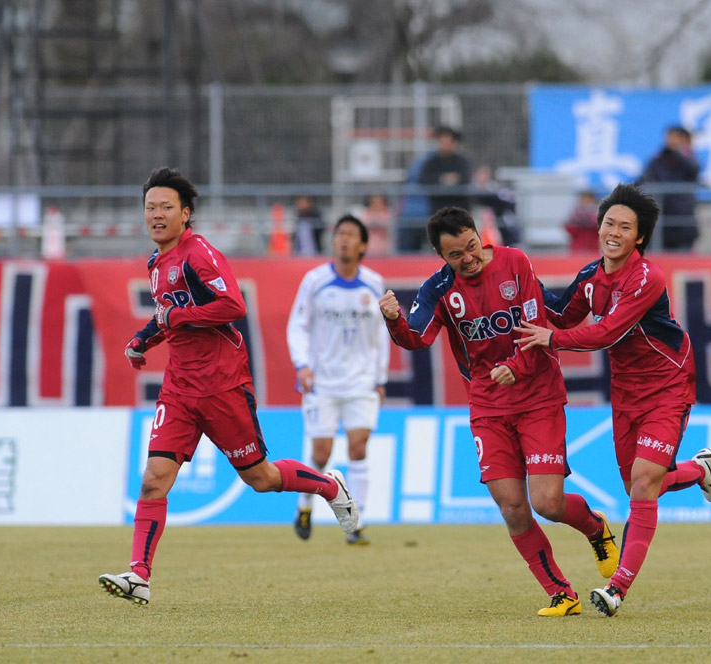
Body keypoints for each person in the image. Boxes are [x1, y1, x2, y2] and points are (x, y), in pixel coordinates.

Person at [99, 167, 359, 605]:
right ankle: (139, 576)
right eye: (150, 208)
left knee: (261, 478)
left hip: (222, 385)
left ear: (186, 214)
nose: (156, 215)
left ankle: (329, 486)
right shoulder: (156, 264)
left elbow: (231, 305)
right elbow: (171, 314)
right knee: (153, 481)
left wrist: (172, 319)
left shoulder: (199, 253)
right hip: (179, 389)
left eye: (166, 207)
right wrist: (144, 339)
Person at [378, 207, 620, 617]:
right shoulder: (439, 289)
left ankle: (596, 528)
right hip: (488, 406)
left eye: (471, 246)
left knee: (547, 503)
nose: (468, 259)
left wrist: (515, 366)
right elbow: (417, 339)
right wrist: (394, 320)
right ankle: (561, 592)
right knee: (511, 507)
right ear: (441, 255)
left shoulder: (515, 262)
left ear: (479, 235)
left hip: (538, 394)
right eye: (456, 255)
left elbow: (533, 324)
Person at [513, 183, 711, 617]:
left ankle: (618, 588)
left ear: (639, 237)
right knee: (638, 486)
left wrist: (552, 338)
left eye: (626, 227)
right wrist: (516, 283)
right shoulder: (591, 276)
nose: (615, 232)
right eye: (609, 223)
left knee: (644, 482)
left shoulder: (647, 277)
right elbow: (562, 312)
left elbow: (606, 332)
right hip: (625, 392)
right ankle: (698, 471)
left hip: (667, 385)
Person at [287, 214, 389, 545]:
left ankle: (355, 522)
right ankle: (304, 504)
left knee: (359, 447)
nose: (343, 239)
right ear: (333, 241)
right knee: (321, 453)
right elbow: (297, 325)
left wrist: (380, 378)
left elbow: (382, 334)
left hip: (361, 382)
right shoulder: (314, 281)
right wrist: (302, 365)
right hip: (323, 382)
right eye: (339, 234)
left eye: (350, 235)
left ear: (362, 245)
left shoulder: (374, 283)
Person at [638, 126, 700, 251]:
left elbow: (693, 170)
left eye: (675, 137)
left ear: (684, 140)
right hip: (661, 216)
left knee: (682, 257)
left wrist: (678, 152)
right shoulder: (659, 159)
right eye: (669, 137)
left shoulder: (689, 159)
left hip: (683, 218)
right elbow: (645, 177)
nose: (670, 140)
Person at [418, 125, 472, 213]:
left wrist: (455, 180)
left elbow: (466, 179)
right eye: (443, 141)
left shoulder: (462, 161)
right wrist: (441, 179)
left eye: (448, 141)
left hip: (459, 207)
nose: (445, 144)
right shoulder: (431, 162)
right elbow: (422, 179)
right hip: (438, 208)